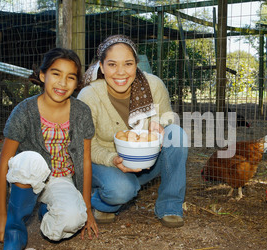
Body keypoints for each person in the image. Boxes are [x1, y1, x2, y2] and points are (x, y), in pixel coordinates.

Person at [0, 48, 98, 250]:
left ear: (77, 83)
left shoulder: (81, 112)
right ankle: (14, 236)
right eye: (56, 74)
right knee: (30, 159)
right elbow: (4, 162)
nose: (62, 83)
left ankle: (47, 210)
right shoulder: (24, 111)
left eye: (71, 77)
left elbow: (85, 161)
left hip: (61, 179)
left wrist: (87, 209)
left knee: (72, 219)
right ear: (43, 76)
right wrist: (0, 215)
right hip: (27, 177)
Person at [78, 34, 188, 228]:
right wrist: (113, 159)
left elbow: (168, 116)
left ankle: (170, 206)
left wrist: (161, 124)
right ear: (101, 67)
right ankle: (103, 199)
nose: (121, 72)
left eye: (128, 64)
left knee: (176, 135)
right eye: (112, 65)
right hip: (106, 163)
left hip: (146, 162)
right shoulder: (89, 96)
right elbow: (86, 145)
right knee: (120, 191)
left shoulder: (154, 85)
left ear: (136, 65)